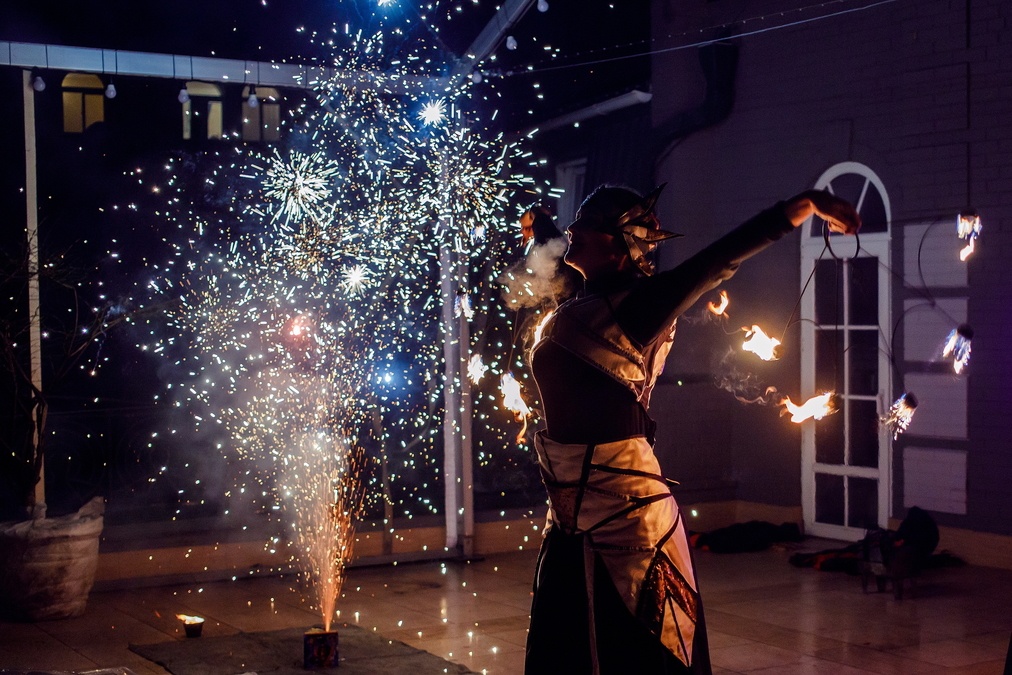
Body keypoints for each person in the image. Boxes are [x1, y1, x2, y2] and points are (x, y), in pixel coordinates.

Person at [525, 184, 861, 674]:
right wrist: (543, 226)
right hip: (570, 524)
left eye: (586, 224)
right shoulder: (591, 299)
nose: (571, 230)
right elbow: (569, 255)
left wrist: (802, 206)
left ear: (620, 245)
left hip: (626, 524)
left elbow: (717, 261)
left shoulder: (640, 307)